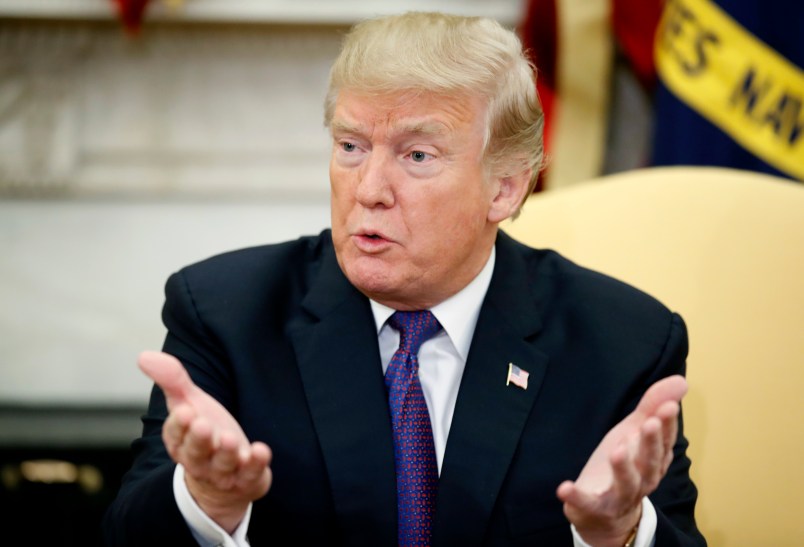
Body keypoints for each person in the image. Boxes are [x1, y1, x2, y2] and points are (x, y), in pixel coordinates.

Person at [103, 11, 705, 547]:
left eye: (417, 156)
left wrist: (618, 535)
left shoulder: (623, 343)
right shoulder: (225, 315)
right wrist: (209, 505)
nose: (368, 190)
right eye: (350, 146)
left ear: (506, 187)